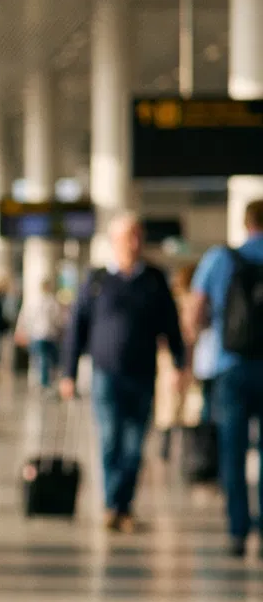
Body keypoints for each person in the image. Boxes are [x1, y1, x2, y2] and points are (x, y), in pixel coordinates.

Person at [58, 214, 186, 532]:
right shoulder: (98, 280)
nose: (134, 243)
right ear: (114, 242)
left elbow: (170, 325)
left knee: (134, 444)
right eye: (128, 236)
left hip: (142, 374)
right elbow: (77, 327)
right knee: (109, 438)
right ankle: (112, 505)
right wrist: (68, 372)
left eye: (138, 236)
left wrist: (179, 363)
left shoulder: (154, 280)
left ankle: (122, 505)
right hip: (106, 373)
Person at [189, 198, 263, 558]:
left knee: (232, 450)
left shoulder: (220, 259)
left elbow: (195, 312)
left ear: (245, 223)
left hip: (229, 365)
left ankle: (238, 529)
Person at [17, 279, 65, 390]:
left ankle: (41, 381)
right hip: (49, 335)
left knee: (39, 359)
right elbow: (58, 319)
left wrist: (24, 330)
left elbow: (25, 317)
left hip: (36, 335)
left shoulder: (33, 301)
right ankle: (44, 383)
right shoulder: (52, 302)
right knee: (46, 359)